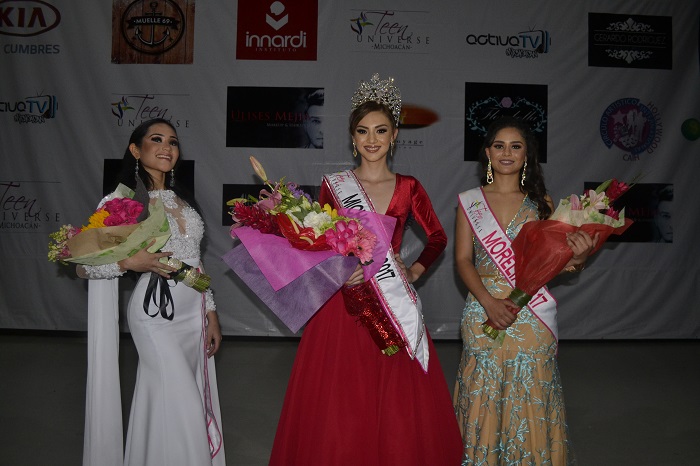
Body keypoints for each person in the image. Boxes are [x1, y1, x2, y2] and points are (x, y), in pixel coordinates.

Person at [269, 74, 463, 465]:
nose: (371, 139)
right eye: (362, 131)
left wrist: (415, 271)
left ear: (394, 136)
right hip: (344, 304)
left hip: (393, 302)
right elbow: (320, 242)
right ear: (352, 138)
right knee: (341, 399)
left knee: (395, 399)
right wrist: (340, 271)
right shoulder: (335, 184)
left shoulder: (409, 187)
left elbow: (438, 238)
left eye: (381, 130)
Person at [78, 118, 225, 466]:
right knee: (184, 402)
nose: (166, 148)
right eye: (156, 139)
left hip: (192, 314)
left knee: (169, 403)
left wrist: (211, 311)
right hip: (155, 316)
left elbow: (195, 261)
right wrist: (130, 263)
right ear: (135, 149)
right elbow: (85, 266)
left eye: (173, 142)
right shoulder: (121, 201)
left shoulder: (181, 200)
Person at [453, 117, 597, 465]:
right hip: (483, 309)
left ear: (526, 155)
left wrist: (580, 256)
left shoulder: (541, 202)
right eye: (499, 145)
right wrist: (489, 303)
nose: (507, 152)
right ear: (488, 153)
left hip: (531, 311)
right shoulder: (470, 202)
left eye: (515, 146)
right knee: (483, 391)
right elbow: (462, 260)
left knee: (530, 389)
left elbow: (555, 263)